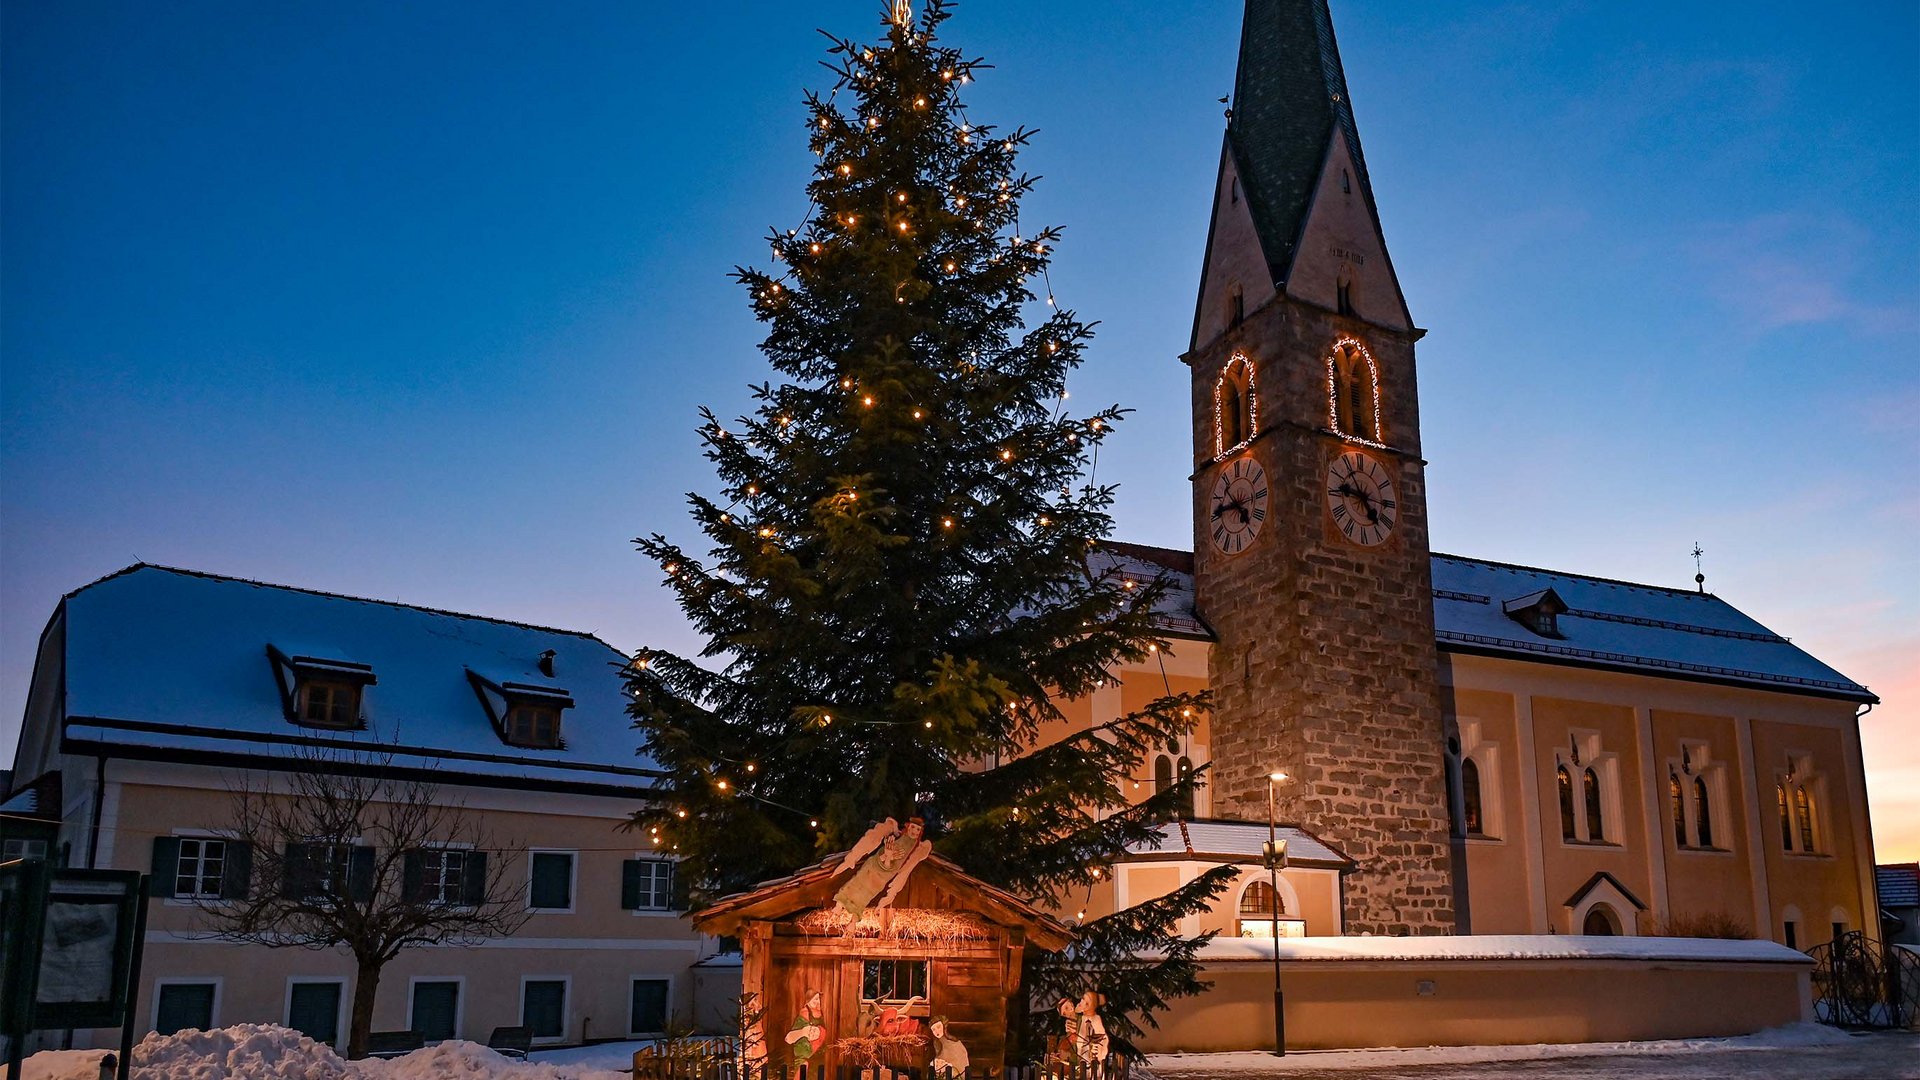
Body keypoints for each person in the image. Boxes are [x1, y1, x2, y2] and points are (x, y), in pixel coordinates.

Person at [833, 817, 932, 919]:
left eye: (918, 829)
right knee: (856, 882)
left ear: (920, 832)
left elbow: (895, 866)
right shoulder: (896, 836)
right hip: (874, 865)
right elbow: (884, 851)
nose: (914, 831)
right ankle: (839, 905)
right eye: (913, 827)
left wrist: (889, 857)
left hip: (884, 875)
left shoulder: (914, 848)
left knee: (866, 894)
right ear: (908, 827)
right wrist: (887, 855)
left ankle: (853, 920)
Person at [785, 989, 826, 1066]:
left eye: (818, 999)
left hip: (816, 1056)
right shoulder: (804, 1015)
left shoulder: (819, 1014)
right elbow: (789, 1038)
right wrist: (803, 1032)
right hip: (803, 1057)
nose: (818, 1002)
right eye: (815, 999)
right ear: (808, 1001)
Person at [1075, 991, 1110, 1075]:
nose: (1082, 1002)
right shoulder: (1082, 1018)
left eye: (1087, 1003)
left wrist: (1097, 1048)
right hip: (1082, 1054)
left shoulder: (1096, 1019)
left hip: (1093, 1056)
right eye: (1083, 998)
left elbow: (1102, 1037)